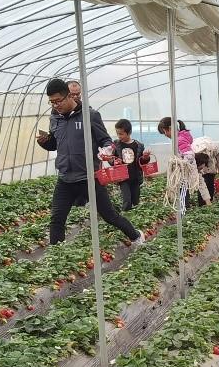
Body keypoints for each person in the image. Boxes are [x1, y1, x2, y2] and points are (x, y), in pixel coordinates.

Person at [36, 78, 142, 246]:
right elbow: (56, 143)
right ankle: (56, 256)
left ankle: (136, 236)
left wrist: (107, 150)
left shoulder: (90, 115)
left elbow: (107, 141)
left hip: (89, 177)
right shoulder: (55, 118)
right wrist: (45, 143)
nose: (55, 105)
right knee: (56, 219)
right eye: (52, 102)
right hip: (65, 178)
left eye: (58, 101)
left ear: (68, 96)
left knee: (109, 216)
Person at [113, 119, 150, 210]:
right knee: (127, 201)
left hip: (135, 178)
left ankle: (135, 220)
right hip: (123, 178)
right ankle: (125, 218)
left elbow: (142, 162)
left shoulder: (138, 145)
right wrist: (114, 162)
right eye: (118, 133)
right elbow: (111, 158)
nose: (119, 136)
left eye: (121, 134)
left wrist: (145, 158)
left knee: (135, 201)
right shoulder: (116, 144)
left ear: (129, 133)